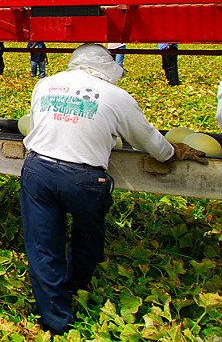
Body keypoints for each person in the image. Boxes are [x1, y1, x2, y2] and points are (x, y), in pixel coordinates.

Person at [20, 43, 208, 336]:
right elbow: (148, 138)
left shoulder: (45, 84)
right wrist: (171, 153)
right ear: (106, 68)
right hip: (83, 178)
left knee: (43, 246)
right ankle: (77, 285)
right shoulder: (116, 97)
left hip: (38, 170)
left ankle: (55, 321)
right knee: (88, 236)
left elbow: (39, 122)